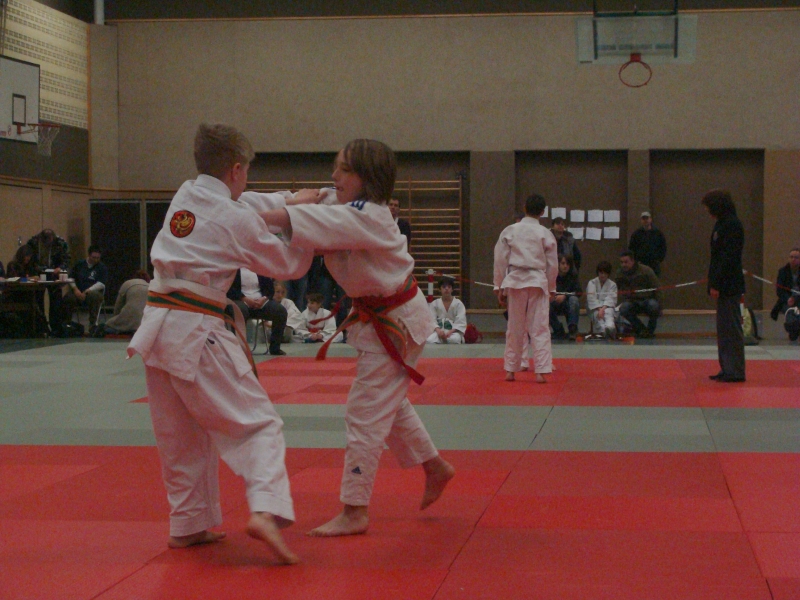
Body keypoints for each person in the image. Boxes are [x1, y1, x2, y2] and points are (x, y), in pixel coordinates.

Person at [127, 123, 318, 564]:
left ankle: (188, 525)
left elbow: (246, 203)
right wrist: (307, 227)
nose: (246, 180)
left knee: (181, 436)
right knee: (258, 424)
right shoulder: (234, 218)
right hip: (197, 330)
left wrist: (290, 201)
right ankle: (266, 509)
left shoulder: (186, 195)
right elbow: (288, 265)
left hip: (157, 329)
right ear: (235, 169)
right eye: (245, 171)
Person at [259, 138, 455, 537]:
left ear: (368, 178)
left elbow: (300, 220)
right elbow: (315, 203)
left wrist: (244, 218)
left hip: (395, 323)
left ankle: (355, 509)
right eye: (335, 167)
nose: (334, 176)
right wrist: (296, 200)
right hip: (383, 318)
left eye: (345, 169)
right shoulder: (346, 204)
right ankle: (435, 466)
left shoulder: (368, 217)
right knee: (387, 403)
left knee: (364, 413)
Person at [494, 193, 559, 383]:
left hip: (515, 281)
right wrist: (551, 287)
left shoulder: (510, 230)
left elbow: (500, 259)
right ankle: (541, 371)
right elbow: (552, 264)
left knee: (514, 326)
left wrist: (498, 285)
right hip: (537, 281)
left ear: (524, 208)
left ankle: (510, 370)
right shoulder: (545, 233)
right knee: (540, 327)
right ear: (543, 212)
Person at [703, 189, 746, 383]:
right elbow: (716, 258)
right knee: (724, 329)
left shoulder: (732, 225)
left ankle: (735, 370)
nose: (707, 212)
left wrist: (717, 283)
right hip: (722, 283)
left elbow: (728, 258)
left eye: (708, 207)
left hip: (730, 284)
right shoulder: (721, 224)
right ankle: (727, 367)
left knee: (732, 329)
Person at [227, 268, 288, 355]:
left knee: (280, 311)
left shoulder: (260, 268)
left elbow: (270, 289)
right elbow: (230, 289)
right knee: (239, 311)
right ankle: (239, 348)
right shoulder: (233, 268)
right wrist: (245, 299)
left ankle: (275, 348)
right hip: (240, 300)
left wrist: (263, 299)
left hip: (260, 301)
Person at [26, 228, 70, 333]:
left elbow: (67, 259)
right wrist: (34, 271)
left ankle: (56, 327)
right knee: (38, 300)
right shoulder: (33, 243)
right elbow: (29, 259)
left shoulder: (61, 243)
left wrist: (61, 268)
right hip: (38, 274)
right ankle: (41, 326)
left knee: (56, 301)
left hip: (54, 273)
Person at [616, 250, 661, 338]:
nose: (623, 265)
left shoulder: (646, 270)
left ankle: (650, 330)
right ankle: (641, 329)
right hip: (632, 301)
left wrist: (660, 306)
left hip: (647, 300)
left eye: (626, 262)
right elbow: (616, 289)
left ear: (632, 261)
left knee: (654, 306)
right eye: (621, 262)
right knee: (624, 308)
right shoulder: (619, 273)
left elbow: (658, 288)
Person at [63, 245, 108, 333]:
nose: (96, 260)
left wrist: (88, 290)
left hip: (92, 292)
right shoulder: (79, 264)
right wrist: (75, 289)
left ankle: (93, 324)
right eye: (93, 257)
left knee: (95, 297)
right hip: (78, 291)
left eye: (98, 258)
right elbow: (71, 278)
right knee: (68, 298)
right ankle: (67, 323)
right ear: (89, 255)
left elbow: (101, 283)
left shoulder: (102, 267)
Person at [101, 269, 151, 335]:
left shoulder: (128, 283)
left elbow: (118, 305)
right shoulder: (150, 286)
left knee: (107, 326)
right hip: (144, 322)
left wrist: (115, 318)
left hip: (128, 318)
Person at [549, 254, 581, 341]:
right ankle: (558, 330)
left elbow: (579, 292)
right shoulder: (552, 276)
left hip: (567, 304)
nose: (565, 266)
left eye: (567, 264)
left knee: (574, 299)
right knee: (544, 305)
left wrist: (565, 296)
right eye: (563, 263)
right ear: (558, 264)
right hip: (554, 303)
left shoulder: (573, 276)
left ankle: (572, 330)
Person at [770, 248, 800, 340]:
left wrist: (796, 299)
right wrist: (788, 299)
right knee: (790, 311)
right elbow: (779, 291)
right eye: (791, 257)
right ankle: (792, 328)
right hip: (787, 300)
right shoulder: (782, 271)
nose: (793, 259)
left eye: (796, 257)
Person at [427, 276, 467, 344]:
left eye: (449, 287)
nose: (446, 289)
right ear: (439, 289)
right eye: (444, 287)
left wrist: (450, 332)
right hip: (439, 332)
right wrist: (438, 331)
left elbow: (461, 321)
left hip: (453, 333)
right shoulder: (434, 304)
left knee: (455, 339)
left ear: (452, 289)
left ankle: (444, 340)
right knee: (429, 340)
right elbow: (432, 320)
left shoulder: (458, 304)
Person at [586, 260, 618, 339]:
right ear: (598, 272)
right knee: (598, 316)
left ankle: (610, 329)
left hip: (607, 307)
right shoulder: (592, 283)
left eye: (605, 273)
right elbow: (591, 298)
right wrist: (599, 309)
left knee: (608, 314)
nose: (602, 275)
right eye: (601, 273)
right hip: (595, 308)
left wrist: (603, 309)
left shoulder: (612, 284)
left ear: (608, 274)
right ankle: (603, 331)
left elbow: (611, 298)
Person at [628, 211, 667, 276]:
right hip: (640, 264)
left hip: (654, 264)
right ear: (641, 220)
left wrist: (658, 260)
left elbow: (663, 247)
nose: (645, 220)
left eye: (647, 218)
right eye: (643, 219)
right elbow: (631, 248)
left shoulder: (658, 233)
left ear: (650, 219)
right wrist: (635, 261)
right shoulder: (636, 234)